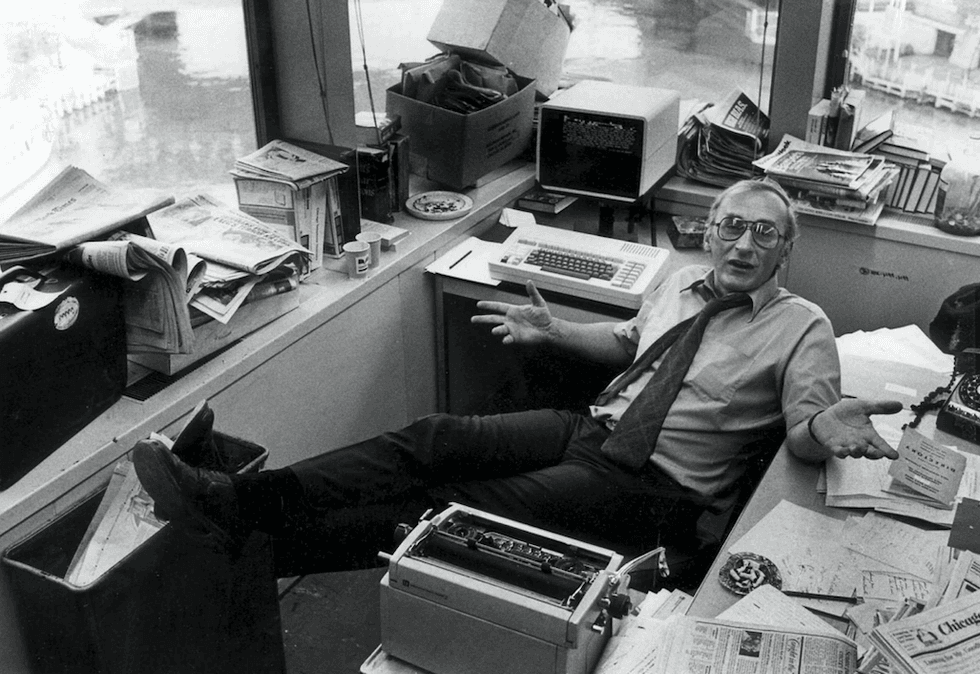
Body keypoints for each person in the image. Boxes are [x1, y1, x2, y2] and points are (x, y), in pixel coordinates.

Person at [133, 178, 902, 578]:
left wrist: (821, 431)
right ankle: (240, 502)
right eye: (730, 225)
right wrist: (555, 330)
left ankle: (262, 549)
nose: (741, 243)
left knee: (452, 506)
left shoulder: (805, 326)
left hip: (660, 484)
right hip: (593, 429)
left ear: (784, 251)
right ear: (711, 231)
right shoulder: (679, 280)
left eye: (763, 233)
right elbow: (633, 342)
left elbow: (806, 433)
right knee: (433, 438)